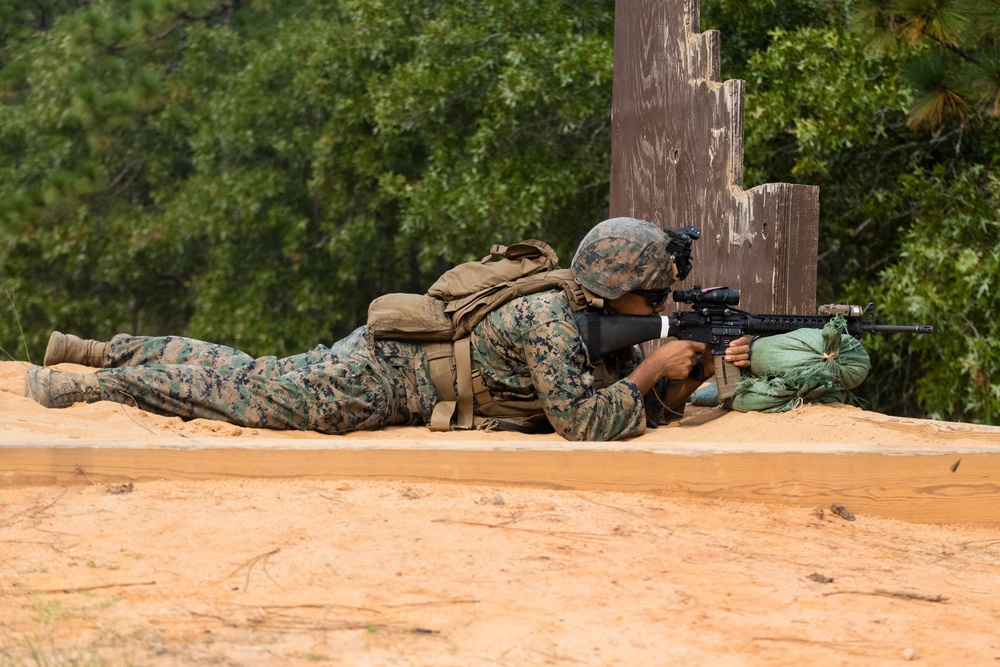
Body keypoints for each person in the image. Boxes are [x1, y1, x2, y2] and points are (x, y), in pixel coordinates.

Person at [23, 217, 751, 441]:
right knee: (238, 394)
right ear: (620, 287)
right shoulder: (551, 318)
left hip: (386, 355)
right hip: (379, 381)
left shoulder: (579, 307)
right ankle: (95, 386)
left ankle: (97, 349)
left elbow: (630, 406)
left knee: (255, 367)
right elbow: (583, 422)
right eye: (652, 294)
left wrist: (686, 381)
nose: (657, 306)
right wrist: (653, 370)